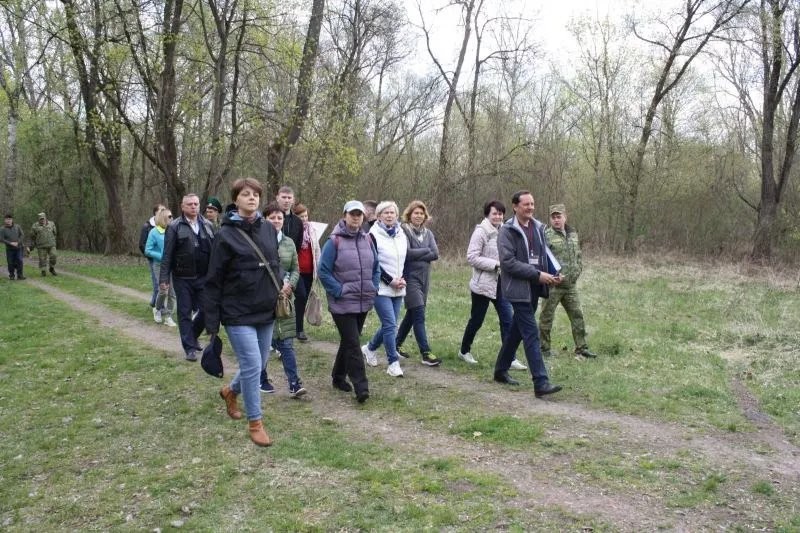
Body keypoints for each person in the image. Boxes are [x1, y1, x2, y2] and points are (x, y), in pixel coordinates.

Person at [206, 178, 282, 447]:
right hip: (237, 311)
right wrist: (212, 321)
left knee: (259, 363)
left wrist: (280, 288)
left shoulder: (269, 230)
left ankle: (230, 391)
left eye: (256, 195)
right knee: (252, 365)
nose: (252, 198)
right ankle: (255, 422)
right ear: (235, 200)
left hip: (265, 308)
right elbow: (214, 279)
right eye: (246, 194)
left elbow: (276, 262)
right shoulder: (224, 235)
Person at [493, 190, 563, 398]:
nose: (530, 208)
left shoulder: (539, 227)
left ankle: (500, 370)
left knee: (517, 330)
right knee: (531, 333)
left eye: (532, 204)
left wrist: (552, 274)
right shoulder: (507, 231)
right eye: (526, 204)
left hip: (535, 285)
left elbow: (543, 255)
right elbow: (508, 263)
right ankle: (541, 382)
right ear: (515, 206)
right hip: (517, 288)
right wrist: (537, 274)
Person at [318, 200, 379, 403]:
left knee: (348, 340)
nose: (356, 218)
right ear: (344, 215)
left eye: (359, 215)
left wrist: (374, 285)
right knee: (354, 344)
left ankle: (337, 377)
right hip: (342, 303)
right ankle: (361, 386)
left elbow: (376, 267)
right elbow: (323, 271)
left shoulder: (368, 240)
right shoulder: (333, 241)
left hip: (362, 300)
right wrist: (339, 290)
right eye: (352, 214)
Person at [457, 200, 516, 366]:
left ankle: (509, 358)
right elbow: (472, 257)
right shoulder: (481, 232)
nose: (498, 216)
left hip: (501, 283)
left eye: (500, 213)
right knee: (477, 320)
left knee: (508, 320)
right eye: (494, 213)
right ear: (487, 215)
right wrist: (495, 264)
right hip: (482, 285)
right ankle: (464, 351)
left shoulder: (505, 231)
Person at [258, 202, 307, 398]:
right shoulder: (258, 240)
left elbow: (296, 268)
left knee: (287, 342)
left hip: (284, 299)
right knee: (263, 342)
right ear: (265, 219)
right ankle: (261, 378)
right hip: (262, 299)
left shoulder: (288, 242)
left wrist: (290, 285)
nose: (276, 221)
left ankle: (294, 383)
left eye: (279, 217)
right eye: (272, 217)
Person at [159, 193, 215, 361]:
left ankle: (192, 335)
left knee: (207, 310)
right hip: (182, 277)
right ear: (183, 207)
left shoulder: (208, 225)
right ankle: (189, 348)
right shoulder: (175, 226)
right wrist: (164, 279)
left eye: (196, 204)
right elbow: (167, 255)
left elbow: (216, 252)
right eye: (189, 204)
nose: (193, 206)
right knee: (184, 312)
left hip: (204, 277)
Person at [539, 204, 597, 359]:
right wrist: (549, 277)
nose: (556, 220)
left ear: (565, 217)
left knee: (577, 315)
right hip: (553, 286)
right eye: (553, 217)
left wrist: (577, 271)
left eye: (559, 216)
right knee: (546, 317)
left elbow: (578, 255)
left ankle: (581, 347)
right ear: (550, 218)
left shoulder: (573, 234)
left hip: (570, 286)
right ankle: (544, 349)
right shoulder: (545, 235)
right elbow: (542, 259)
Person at [361, 201, 408, 377]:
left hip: (399, 286)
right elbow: (373, 262)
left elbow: (406, 259)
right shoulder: (372, 235)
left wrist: (403, 278)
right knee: (390, 324)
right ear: (378, 216)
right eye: (385, 213)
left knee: (391, 324)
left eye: (392, 213)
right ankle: (392, 363)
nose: (389, 215)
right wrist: (389, 280)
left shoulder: (401, 234)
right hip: (380, 287)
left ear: (397, 215)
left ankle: (369, 348)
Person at [395, 200, 440, 366]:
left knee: (412, 314)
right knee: (419, 314)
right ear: (409, 214)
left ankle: (395, 344)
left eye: (421, 213)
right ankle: (426, 353)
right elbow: (406, 253)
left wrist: (421, 253)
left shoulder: (428, 233)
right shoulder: (403, 230)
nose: (419, 216)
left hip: (425, 278)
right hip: (410, 277)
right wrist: (425, 251)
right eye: (416, 213)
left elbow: (435, 254)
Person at [292, 203, 321, 342]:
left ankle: (298, 327)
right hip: (297, 271)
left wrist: (319, 268)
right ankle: (298, 329)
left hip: (310, 270)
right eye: (301, 216)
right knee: (301, 296)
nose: (304, 219)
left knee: (302, 300)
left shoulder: (312, 229)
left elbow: (316, 249)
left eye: (306, 216)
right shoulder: (293, 230)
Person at [144, 208, 177, 327]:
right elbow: (147, 250)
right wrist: (161, 256)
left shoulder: (174, 230)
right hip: (159, 265)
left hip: (172, 265)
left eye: (172, 216)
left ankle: (168, 316)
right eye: (169, 216)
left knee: (173, 293)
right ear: (163, 218)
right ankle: (157, 309)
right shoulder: (154, 232)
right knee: (163, 290)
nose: (172, 218)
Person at [140, 204, 166, 320]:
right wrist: (151, 257)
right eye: (161, 210)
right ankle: (157, 308)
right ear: (155, 212)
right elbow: (142, 244)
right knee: (157, 284)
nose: (163, 212)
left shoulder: (166, 225)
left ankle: (154, 304)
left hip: (164, 261)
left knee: (165, 285)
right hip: (153, 260)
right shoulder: (147, 226)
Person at [30, 212, 57, 276]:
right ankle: (43, 270)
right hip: (41, 245)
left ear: (45, 218)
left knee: (54, 256)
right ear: (38, 219)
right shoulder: (35, 226)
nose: (42, 220)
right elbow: (32, 235)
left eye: (43, 218)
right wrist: (34, 243)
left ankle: (51, 268)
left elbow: (55, 233)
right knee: (42, 259)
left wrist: (53, 240)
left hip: (51, 244)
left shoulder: (51, 224)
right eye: (40, 219)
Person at [1, 214, 27, 280]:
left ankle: (20, 275)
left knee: (20, 261)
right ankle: (11, 275)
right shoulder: (2, 229)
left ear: (12, 220)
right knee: (10, 262)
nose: (8, 221)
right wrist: (10, 243)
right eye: (7, 219)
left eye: (10, 219)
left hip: (18, 248)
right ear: (5, 220)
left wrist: (18, 242)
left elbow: (22, 235)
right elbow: (1, 239)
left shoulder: (17, 226)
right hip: (9, 249)